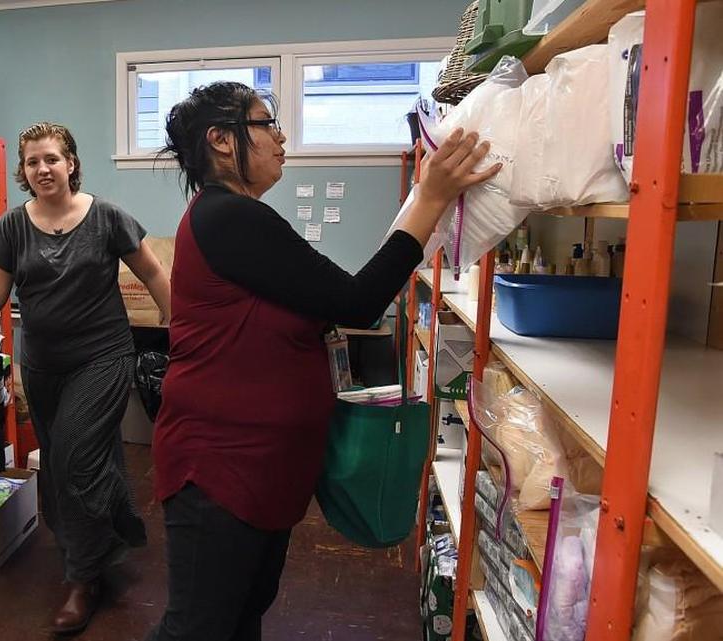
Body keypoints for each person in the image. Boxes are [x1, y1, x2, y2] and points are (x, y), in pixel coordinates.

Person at [146, 81, 501, 641]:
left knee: (242, 613)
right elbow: (359, 300)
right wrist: (428, 199)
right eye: (267, 125)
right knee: (197, 627)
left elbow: (332, 297)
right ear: (220, 139)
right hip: (218, 465)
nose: (281, 138)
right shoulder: (229, 218)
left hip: (263, 465)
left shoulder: (237, 219)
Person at [0, 122, 171, 634]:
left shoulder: (106, 218)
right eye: (32, 162)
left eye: (51, 158)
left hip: (102, 357)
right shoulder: (11, 227)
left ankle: (84, 577)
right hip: (43, 366)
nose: (42, 169)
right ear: (24, 171)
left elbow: (154, 272)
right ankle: (109, 530)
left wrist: (177, 329)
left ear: (71, 162)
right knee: (59, 466)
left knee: (75, 456)